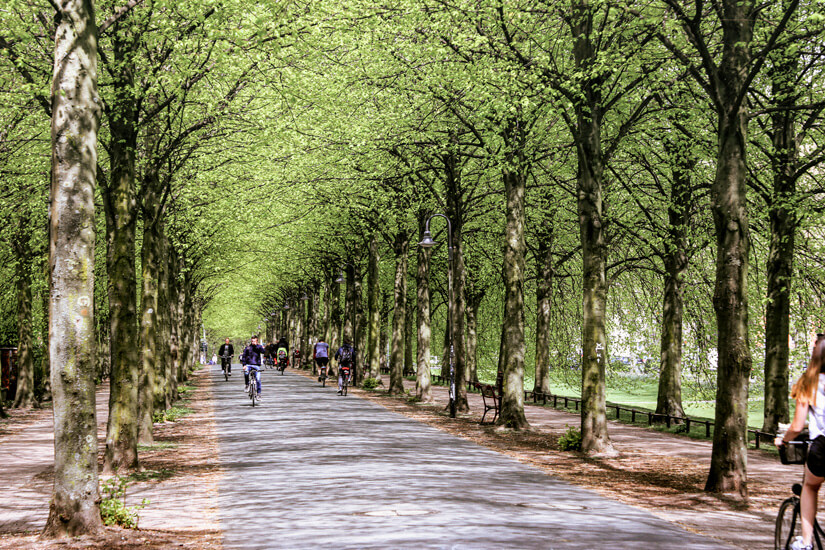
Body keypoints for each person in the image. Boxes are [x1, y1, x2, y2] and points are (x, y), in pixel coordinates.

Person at [776, 334, 825, 550]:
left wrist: (783, 440)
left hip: (822, 447)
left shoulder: (809, 381)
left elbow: (797, 426)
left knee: (810, 486)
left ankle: (806, 543)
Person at [240, 335, 266, 401]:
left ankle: (259, 394)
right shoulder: (248, 348)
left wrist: (260, 347)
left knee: (258, 379)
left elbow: (263, 352)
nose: (253, 342)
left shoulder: (259, 347)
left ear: (257, 341)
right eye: (252, 341)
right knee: (246, 372)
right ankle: (247, 384)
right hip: (248, 365)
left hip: (256, 365)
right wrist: (244, 365)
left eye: (254, 341)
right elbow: (244, 356)